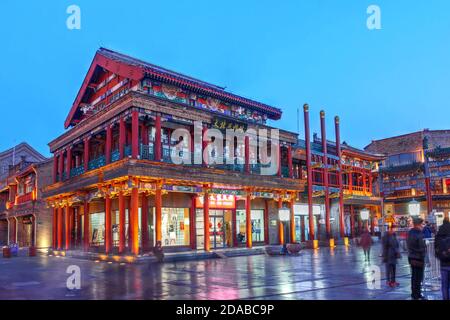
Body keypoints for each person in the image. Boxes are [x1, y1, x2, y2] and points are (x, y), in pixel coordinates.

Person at [407, 217, 426, 300]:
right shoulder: (419, 233)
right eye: (422, 224)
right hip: (418, 257)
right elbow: (422, 247)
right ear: (418, 224)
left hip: (411, 257)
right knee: (418, 277)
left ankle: (414, 294)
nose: (422, 226)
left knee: (414, 277)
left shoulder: (410, 232)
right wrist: (423, 255)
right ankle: (417, 294)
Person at [435, 218, 450, 300]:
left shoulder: (439, 234)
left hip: (443, 264)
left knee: (444, 285)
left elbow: (436, 250)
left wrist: (440, 256)